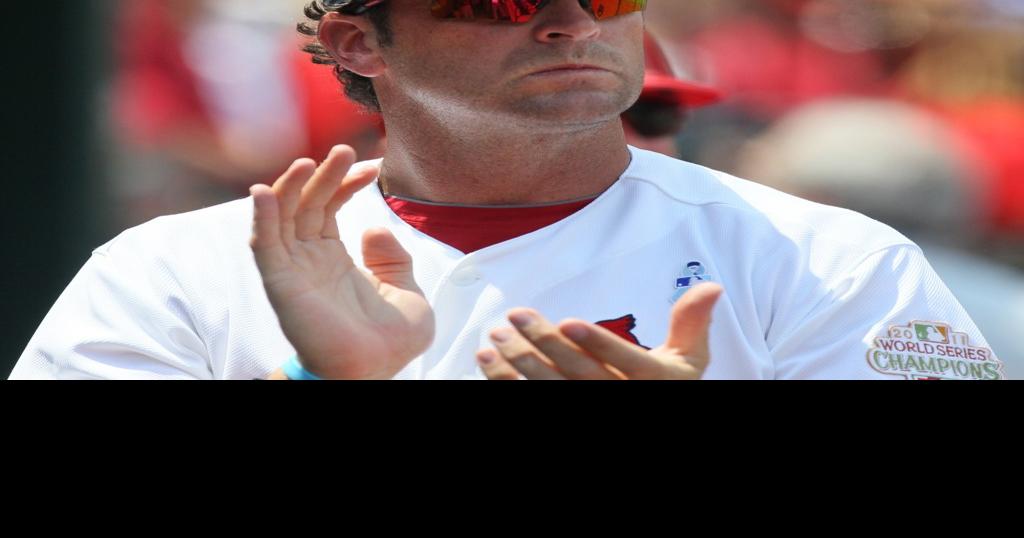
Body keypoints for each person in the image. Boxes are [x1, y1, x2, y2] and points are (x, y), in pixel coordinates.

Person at [10, 0, 1004, 380]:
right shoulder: (171, 269)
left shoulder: (833, 261)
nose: (571, 22)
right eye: (504, 0)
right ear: (360, 43)